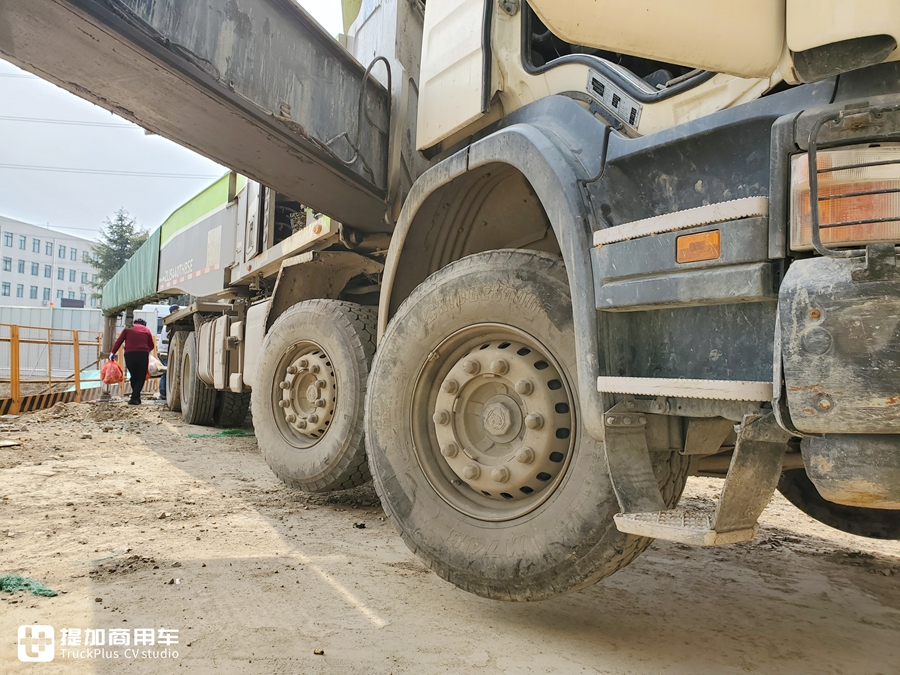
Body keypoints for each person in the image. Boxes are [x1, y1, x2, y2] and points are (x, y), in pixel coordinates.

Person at [110, 318, 156, 405]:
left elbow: (119, 341)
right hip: (142, 355)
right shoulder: (146, 330)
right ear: (144, 324)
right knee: (141, 376)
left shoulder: (128, 329)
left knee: (133, 375)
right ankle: (134, 397)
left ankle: (136, 397)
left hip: (129, 355)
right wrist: (146, 350)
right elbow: (151, 345)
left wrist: (113, 352)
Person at [158, 305, 180, 401]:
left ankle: (164, 392)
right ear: (172, 312)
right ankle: (163, 393)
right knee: (166, 372)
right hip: (164, 351)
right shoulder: (170, 323)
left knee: (166, 372)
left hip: (163, 350)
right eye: (176, 311)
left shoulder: (167, 323)